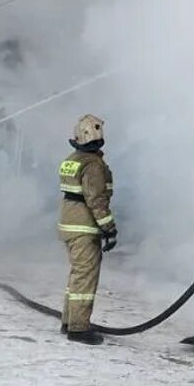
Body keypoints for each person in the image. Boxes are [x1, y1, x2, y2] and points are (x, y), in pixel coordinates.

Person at [57, 114, 116, 346]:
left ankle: (69, 321)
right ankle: (79, 329)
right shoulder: (92, 165)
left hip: (69, 224)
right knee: (85, 277)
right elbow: (97, 200)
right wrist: (109, 228)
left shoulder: (73, 159)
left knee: (76, 275)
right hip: (84, 227)